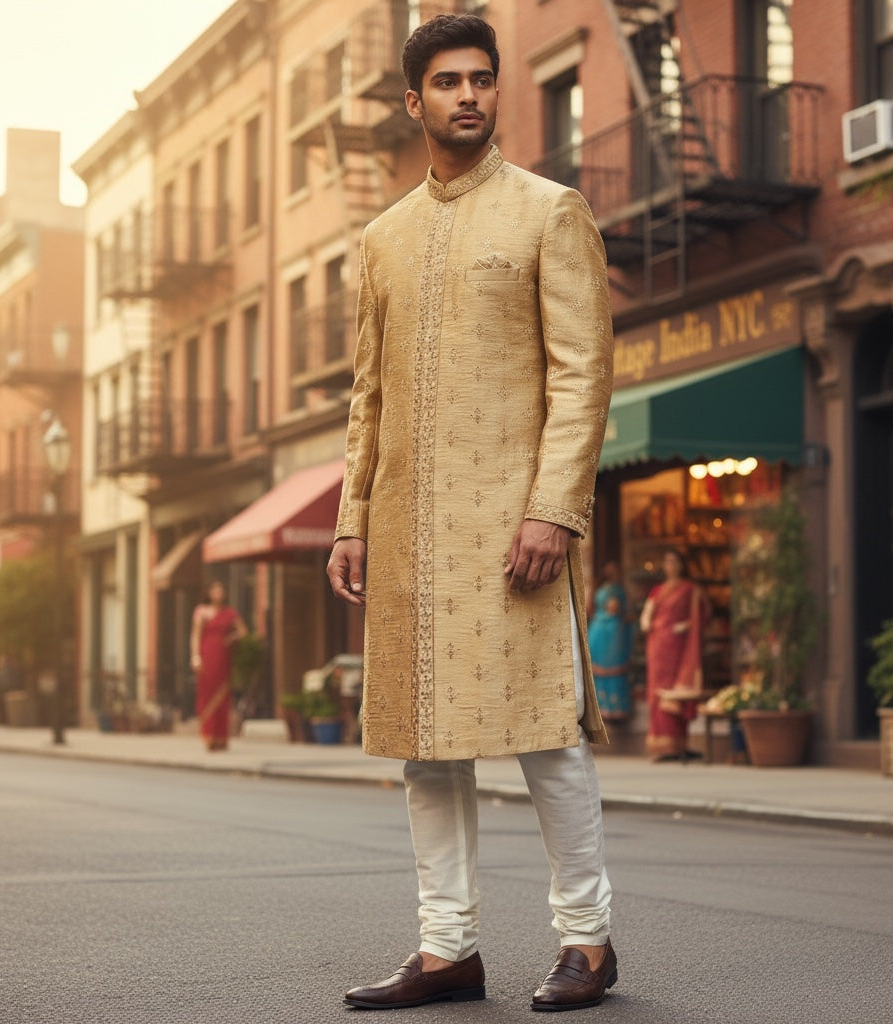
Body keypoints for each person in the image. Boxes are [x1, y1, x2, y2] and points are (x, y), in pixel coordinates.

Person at [326, 14, 617, 1012]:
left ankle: (587, 938)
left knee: (547, 735)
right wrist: (351, 519)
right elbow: (365, 395)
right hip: (407, 531)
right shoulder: (380, 240)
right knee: (424, 745)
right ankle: (447, 947)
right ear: (414, 102)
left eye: (481, 79)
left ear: (497, 92)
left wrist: (553, 509)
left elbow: (582, 379)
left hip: (513, 533)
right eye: (446, 81)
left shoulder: (550, 212)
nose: (467, 95)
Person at [639, 549, 711, 761]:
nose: (671, 565)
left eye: (674, 561)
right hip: (659, 646)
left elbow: (703, 614)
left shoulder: (690, 589)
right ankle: (661, 747)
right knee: (658, 693)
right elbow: (646, 617)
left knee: (679, 690)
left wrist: (688, 625)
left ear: (682, 564)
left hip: (680, 647)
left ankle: (679, 744)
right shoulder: (658, 591)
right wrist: (654, 627)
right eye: (667, 561)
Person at [189, 580, 247, 752]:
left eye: (221, 590)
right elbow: (195, 635)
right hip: (207, 654)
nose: (218, 594)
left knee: (222, 697)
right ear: (209, 593)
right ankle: (208, 735)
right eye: (215, 590)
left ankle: (221, 737)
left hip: (223, 656)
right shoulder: (201, 611)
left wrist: (232, 638)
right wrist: (195, 656)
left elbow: (243, 632)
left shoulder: (230, 613)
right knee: (207, 694)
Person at [587, 563, 634, 721]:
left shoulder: (599, 590)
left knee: (604, 672)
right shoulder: (614, 591)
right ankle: (614, 707)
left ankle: (603, 707)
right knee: (610, 670)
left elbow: (590, 609)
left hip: (598, 631)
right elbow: (615, 609)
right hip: (610, 633)